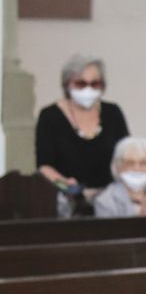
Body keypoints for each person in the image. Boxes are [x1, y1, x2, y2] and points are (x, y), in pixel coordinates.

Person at [35, 55, 131, 203]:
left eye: (95, 84)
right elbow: (44, 166)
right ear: (67, 84)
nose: (88, 89)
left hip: (111, 199)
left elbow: (127, 155)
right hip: (66, 200)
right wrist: (66, 186)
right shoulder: (50, 116)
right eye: (81, 83)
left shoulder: (113, 112)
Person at [92, 137, 146, 218]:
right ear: (118, 167)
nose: (137, 168)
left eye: (143, 163)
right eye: (130, 163)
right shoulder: (105, 201)